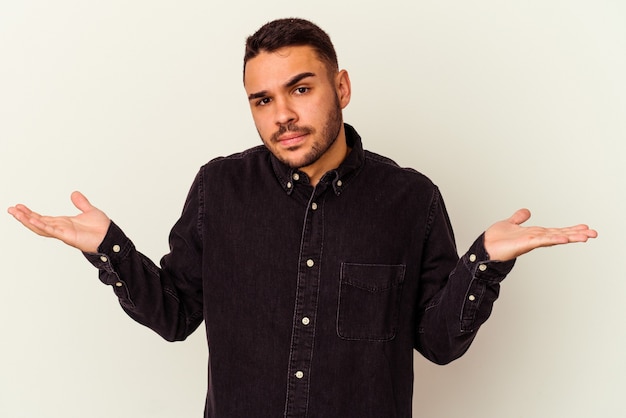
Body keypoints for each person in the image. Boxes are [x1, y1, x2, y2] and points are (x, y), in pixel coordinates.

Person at [7, 18, 597, 418]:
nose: (282, 115)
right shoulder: (219, 187)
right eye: (262, 100)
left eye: (301, 89)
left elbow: (438, 344)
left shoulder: (410, 198)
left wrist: (483, 265)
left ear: (340, 86)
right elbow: (177, 315)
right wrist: (109, 248)